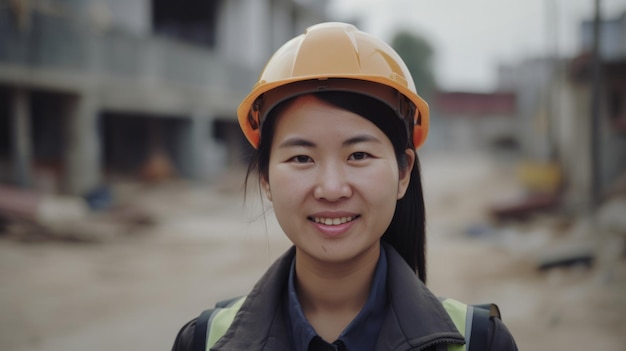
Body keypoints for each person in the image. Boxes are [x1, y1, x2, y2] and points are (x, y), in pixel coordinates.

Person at [172, 22, 518, 351]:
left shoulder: (478, 343)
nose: (332, 188)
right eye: (302, 158)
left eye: (359, 155)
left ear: (403, 173)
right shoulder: (204, 342)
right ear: (266, 179)